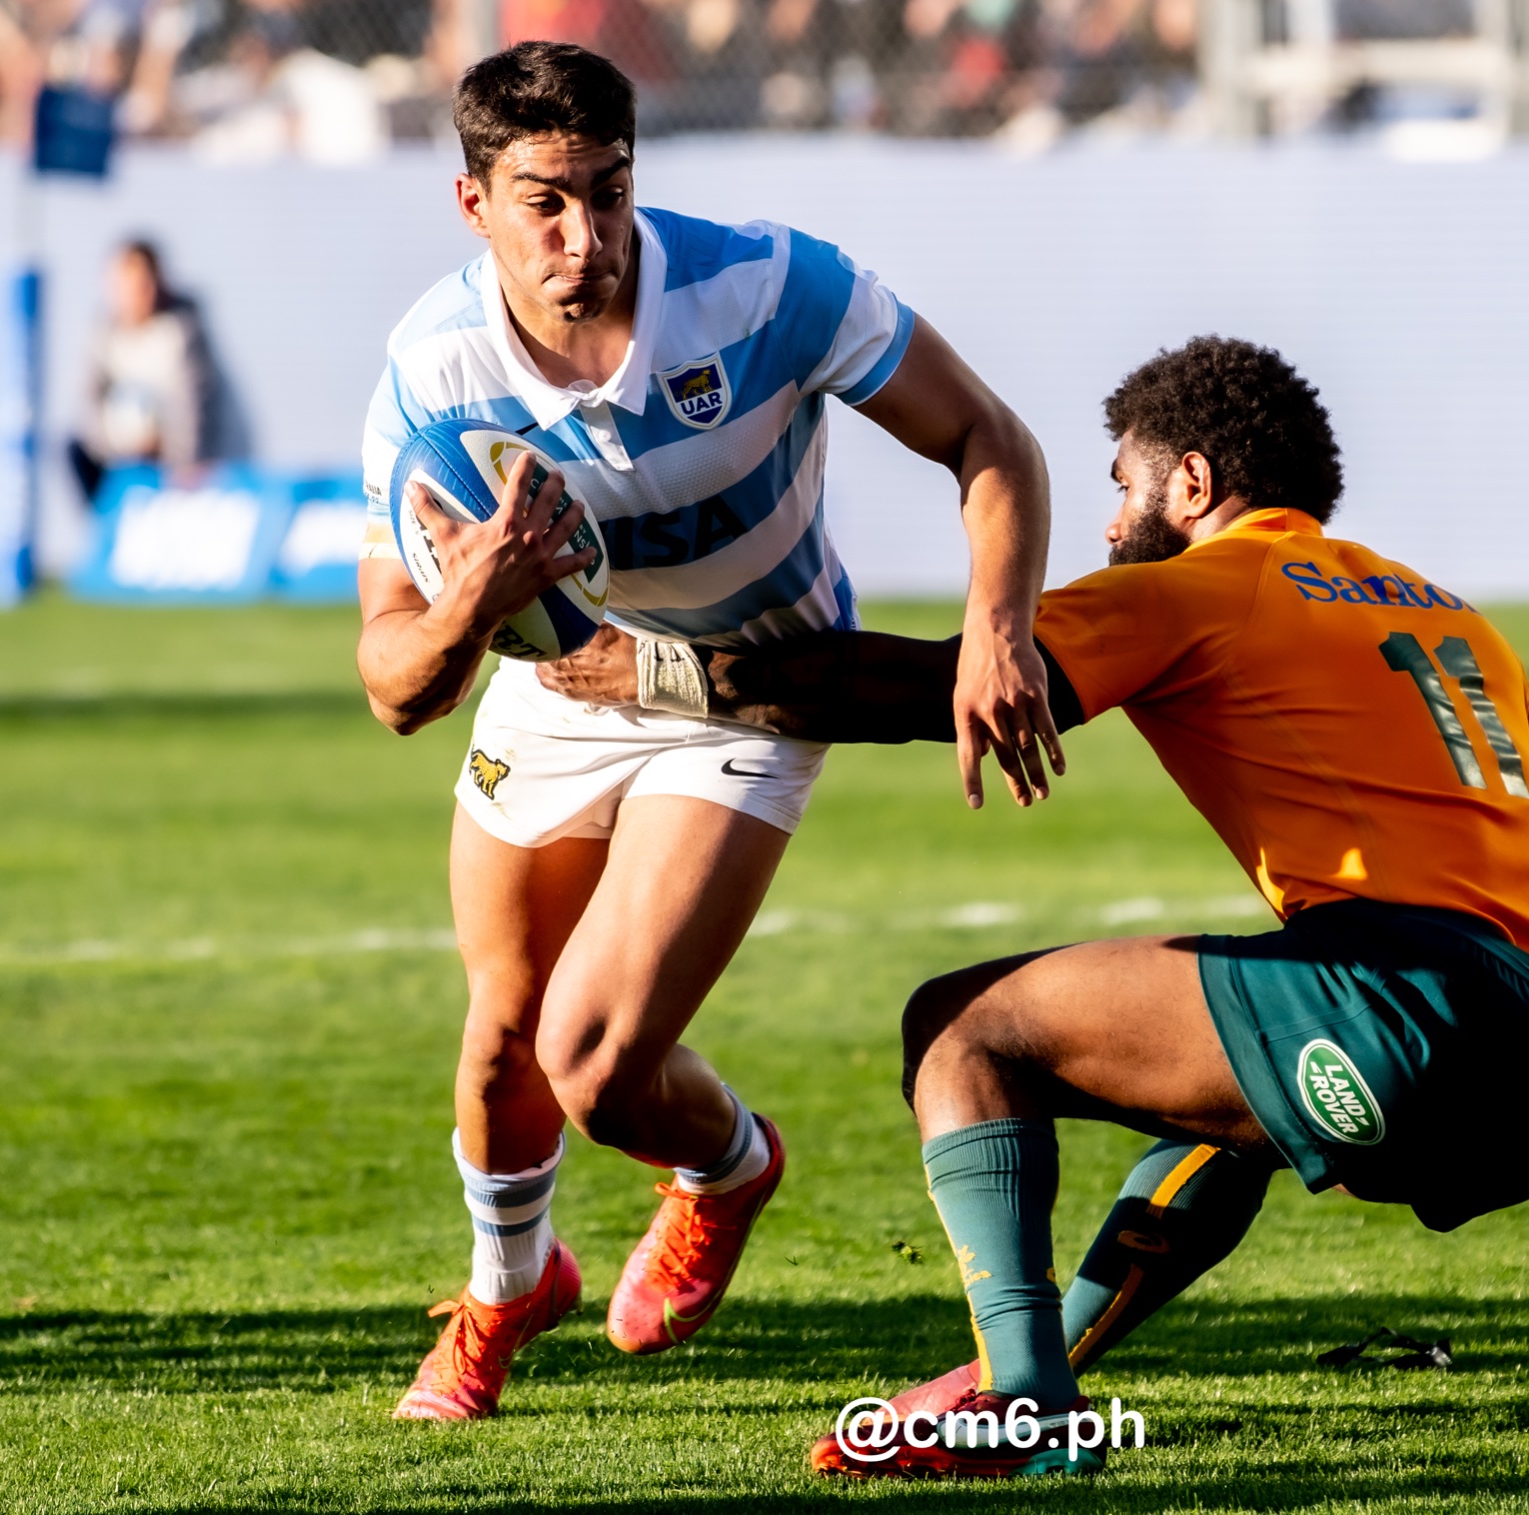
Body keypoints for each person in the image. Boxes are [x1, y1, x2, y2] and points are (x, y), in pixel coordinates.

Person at [561, 336, 1529, 1479]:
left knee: (960, 1029)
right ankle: (1026, 1373)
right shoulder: (1452, 620)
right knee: (1220, 1111)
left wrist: (662, 673)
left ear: (1188, 483)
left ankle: (1022, 1403)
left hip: (1403, 1019)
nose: (1107, 522)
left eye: (1119, 486)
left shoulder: (1194, 587)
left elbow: (936, 686)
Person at [354, 41, 1058, 1422]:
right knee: (503, 1035)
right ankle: (507, 1291)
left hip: (748, 686)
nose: (588, 237)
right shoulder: (431, 377)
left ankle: (729, 1166)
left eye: (609, 192)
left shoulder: (769, 288)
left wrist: (999, 624)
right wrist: (474, 603)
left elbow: (989, 436)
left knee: (594, 1064)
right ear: (473, 203)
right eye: (546, 203)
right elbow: (392, 681)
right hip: (561, 687)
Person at [69, 239, 231, 506]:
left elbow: (197, 410)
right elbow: (89, 402)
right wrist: (118, 447)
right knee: (76, 451)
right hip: (132, 453)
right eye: (128, 285)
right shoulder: (104, 333)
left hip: (191, 456)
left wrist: (183, 462)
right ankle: (107, 520)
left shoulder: (181, 331)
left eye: (145, 284)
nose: (138, 294)